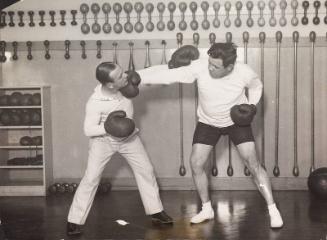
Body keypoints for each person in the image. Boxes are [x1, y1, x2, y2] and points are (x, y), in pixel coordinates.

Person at [137, 42, 283, 229]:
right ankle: (207, 209)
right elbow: (168, 74)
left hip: (236, 121)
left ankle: (272, 209)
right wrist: (137, 76)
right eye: (209, 64)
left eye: (216, 66)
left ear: (229, 67)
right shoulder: (201, 67)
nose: (210, 68)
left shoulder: (244, 72)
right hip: (208, 122)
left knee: (253, 164)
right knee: (196, 163)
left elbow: (256, 86)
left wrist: (252, 106)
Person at [66, 62, 173, 236]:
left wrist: (171, 66)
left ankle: (156, 211)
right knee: (91, 178)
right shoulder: (95, 102)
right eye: (120, 76)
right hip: (103, 141)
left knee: (146, 170)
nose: (126, 76)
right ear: (110, 84)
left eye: (123, 72)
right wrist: (109, 127)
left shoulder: (125, 82)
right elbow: (88, 130)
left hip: (129, 139)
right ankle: (74, 220)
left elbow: (148, 73)